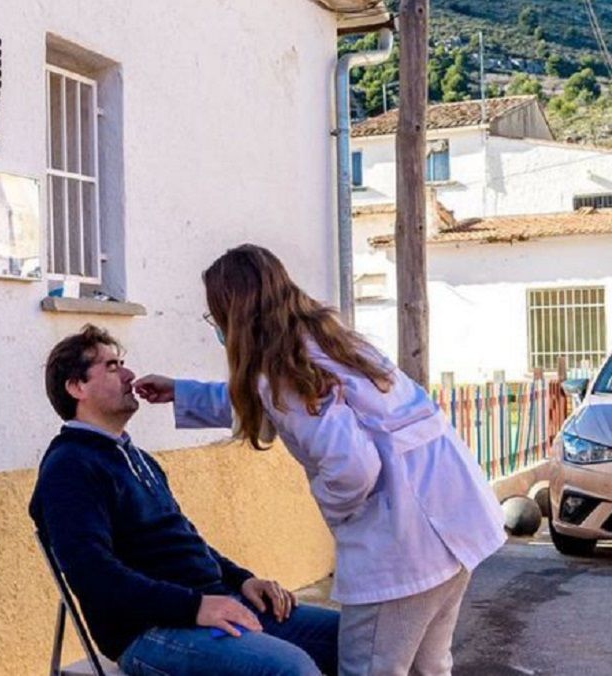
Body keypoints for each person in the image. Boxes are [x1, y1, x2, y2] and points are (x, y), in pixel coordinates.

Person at [135, 244, 505, 676]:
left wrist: (339, 512)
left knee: (368, 668)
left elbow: (352, 467)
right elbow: (270, 403)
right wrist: (182, 391)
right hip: (454, 523)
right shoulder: (328, 342)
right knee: (429, 668)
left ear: (234, 313)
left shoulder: (284, 371)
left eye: (215, 315)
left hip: (403, 543)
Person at [30, 324, 339, 676]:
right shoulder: (69, 467)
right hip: (149, 631)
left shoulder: (139, 458)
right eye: (112, 367)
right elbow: (93, 575)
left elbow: (187, 542)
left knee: (355, 638)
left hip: (210, 603)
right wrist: (195, 607)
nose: (129, 375)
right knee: (289, 668)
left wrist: (243, 580)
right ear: (76, 387)